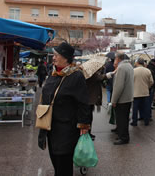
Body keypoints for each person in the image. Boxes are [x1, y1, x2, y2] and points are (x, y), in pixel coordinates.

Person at [37, 42, 91, 176]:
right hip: (51, 127)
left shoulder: (76, 76)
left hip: (66, 129)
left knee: (63, 164)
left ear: (66, 58)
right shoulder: (54, 73)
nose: (53, 58)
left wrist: (84, 125)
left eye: (56, 55)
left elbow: (83, 103)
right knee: (56, 161)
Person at [111, 52, 134, 145]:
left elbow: (118, 86)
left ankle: (123, 137)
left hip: (122, 98)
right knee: (124, 119)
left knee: (121, 119)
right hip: (128, 97)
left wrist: (114, 100)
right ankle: (123, 135)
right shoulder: (129, 66)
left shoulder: (121, 68)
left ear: (118, 59)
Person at [131, 58, 154, 126]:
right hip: (145, 92)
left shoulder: (133, 71)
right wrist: (147, 87)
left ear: (137, 63)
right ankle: (146, 121)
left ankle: (134, 122)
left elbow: (130, 82)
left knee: (135, 109)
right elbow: (151, 82)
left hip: (136, 93)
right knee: (146, 108)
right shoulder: (148, 71)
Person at [85, 66, 105, 141]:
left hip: (89, 98)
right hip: (89, 99)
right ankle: (87, 134)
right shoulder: (91, 74)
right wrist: (112, 73)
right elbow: (101, 77)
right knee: (88, 117)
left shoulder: (88, 73)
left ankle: (88, 133)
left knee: (89, 117)